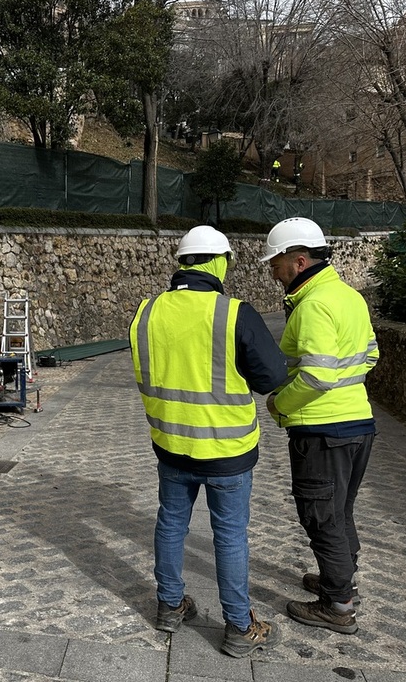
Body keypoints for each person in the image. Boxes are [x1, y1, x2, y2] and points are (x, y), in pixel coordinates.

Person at [129, 225, 286, 658]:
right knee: (230, 537)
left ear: (182, 263)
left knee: (170, 523)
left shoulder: (146, 311)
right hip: (227, 453)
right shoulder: (233, 313)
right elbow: (272, 377)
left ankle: (170, 606)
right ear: (219, 263)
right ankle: (238, 627)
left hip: (170, 445)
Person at [261, 217, 378, 635]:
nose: (272, 272)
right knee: (340, 510)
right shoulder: (349, 297)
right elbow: (370, 357)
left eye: (275, 264)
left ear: (299, 261)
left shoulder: (312, 305)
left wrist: (278, 404)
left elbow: (317, 375)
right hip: (358, 424)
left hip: (322, 431)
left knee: (320, 517)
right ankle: (340, 580)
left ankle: (338, 606)